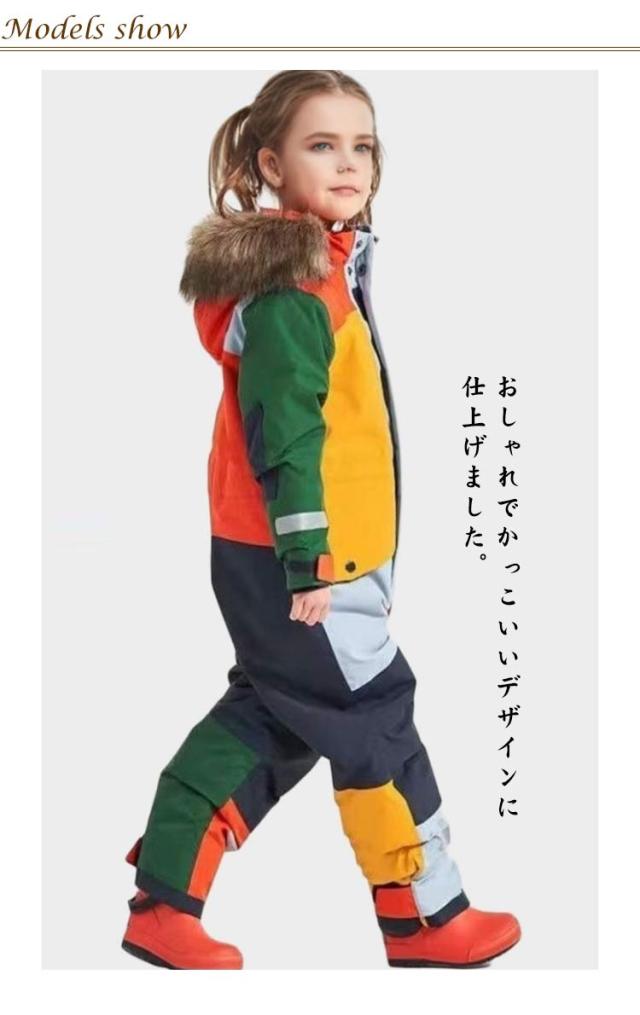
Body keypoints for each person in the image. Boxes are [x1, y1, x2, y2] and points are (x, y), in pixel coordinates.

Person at [121, 69, 522, 970]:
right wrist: (308, 560)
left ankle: (164, 900)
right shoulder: (294, 291)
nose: (349, 162)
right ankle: (424, 914)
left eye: (362, 145)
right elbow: (287, 434)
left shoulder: (326, 271)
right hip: (305, 560)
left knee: (277, 717)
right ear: (271, 164)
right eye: (321, 144)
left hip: (316, 556)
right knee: (374, 712)